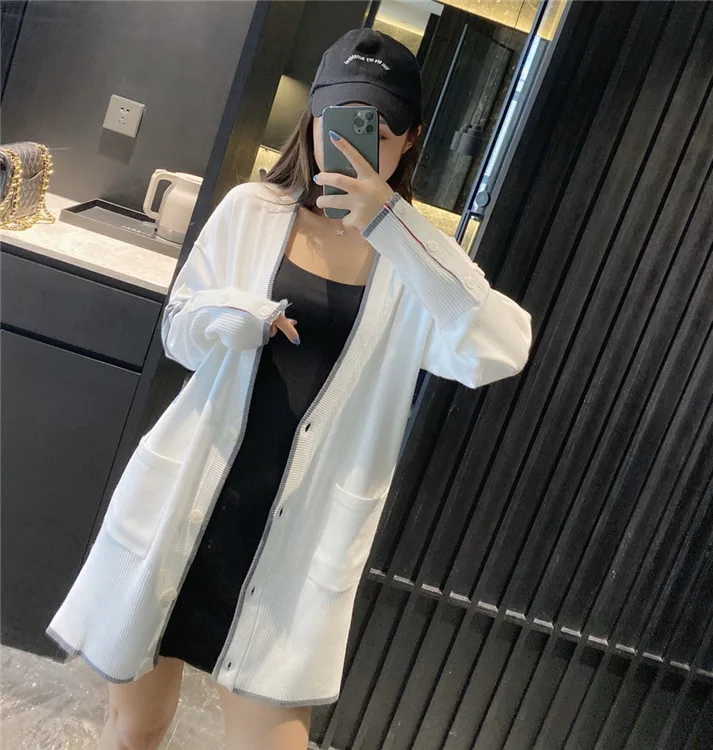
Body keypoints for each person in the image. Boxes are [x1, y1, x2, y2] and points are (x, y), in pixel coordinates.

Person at [46, 28, 532, 750]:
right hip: (184, 504)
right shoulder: (252, 210)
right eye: (338, 120)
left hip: (293, 542)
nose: (351, 145)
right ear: (312, 122)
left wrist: (393, 224)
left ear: (410, 140)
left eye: (377, 130)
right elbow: (180, 332)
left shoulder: (416, 264)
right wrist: (237, 315)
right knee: (136, 727)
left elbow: (501, 348)